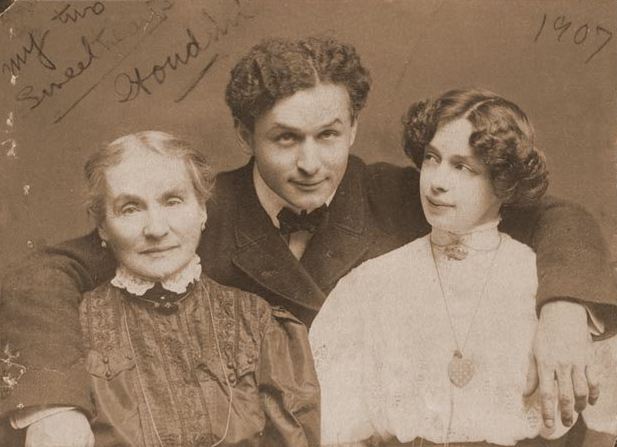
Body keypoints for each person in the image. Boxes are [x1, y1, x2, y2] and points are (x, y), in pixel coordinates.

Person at [1, 37, 616, 445]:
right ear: (244, 134)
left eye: (329, 134)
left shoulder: (409, 194)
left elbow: (555, 216)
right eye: (285, 138)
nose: (311, 163)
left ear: (354, 127)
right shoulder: (190, 214)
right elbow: (43, 275)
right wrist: (55, 407)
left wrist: (563, 308)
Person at [309, 88, 617, 447]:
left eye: (462, 167)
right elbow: (330, 427)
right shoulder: (372, 283)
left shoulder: (545, 286)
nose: (437, 182)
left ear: (503, 181)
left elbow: (607, 425)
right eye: (431, 158)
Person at [34, 131, 321, 446]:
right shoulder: (71, 333)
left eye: (172, 201)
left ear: (202, 210)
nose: (156, 229)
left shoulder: (260, 323)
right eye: (130, 208)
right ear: (102, 225)